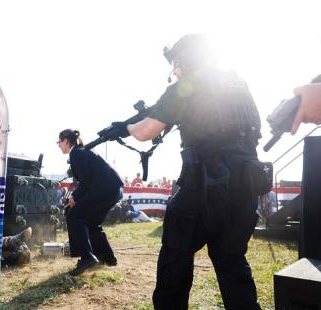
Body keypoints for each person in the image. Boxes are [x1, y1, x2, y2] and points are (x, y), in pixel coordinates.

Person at [112, 33, 262, 309]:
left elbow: (145, 132)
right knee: (232, 261)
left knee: (175, 257)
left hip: (206, 185)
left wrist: (126, 127)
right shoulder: (237, 84)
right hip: (247, 185)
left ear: (186, 60)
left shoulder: (186, 87)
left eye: (176, 65)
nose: (175, 72)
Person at [57, 129, 124, 276]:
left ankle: (87, 257)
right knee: (92, 222)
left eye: (59, 142)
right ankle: (107, 258)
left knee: (74, 215)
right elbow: (88, 180)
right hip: (113, 189)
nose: (58, 145)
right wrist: (77, 197)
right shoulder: (81, 151)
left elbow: (86, 181)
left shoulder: (76, 153)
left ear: (66, 141)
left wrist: (74, 198)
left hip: (104, 189)